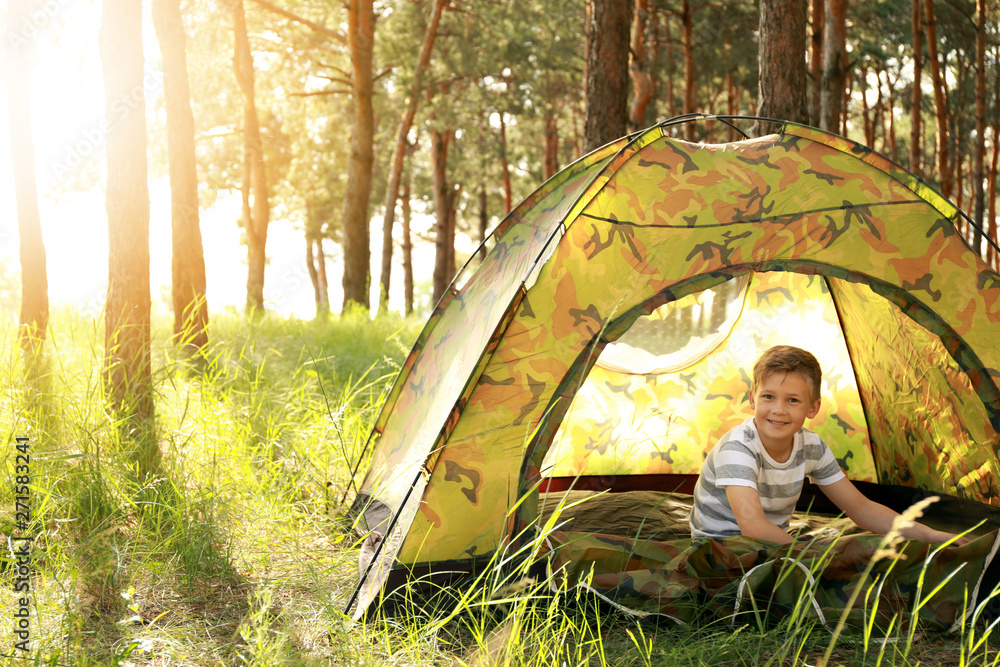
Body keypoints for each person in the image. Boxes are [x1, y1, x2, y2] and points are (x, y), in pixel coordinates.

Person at [689, 344, 968, 546]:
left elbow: (860, 507)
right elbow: (752, 526)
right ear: (753, 399)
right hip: (721, 549)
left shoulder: (811, 446)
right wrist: (805, 556)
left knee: (869, 552)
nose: (778, 410)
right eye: (769, 397)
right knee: (835, 565)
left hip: (773, 544)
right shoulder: (738, 448)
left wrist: (933, 536)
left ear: (813, 407)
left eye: (793, 400)